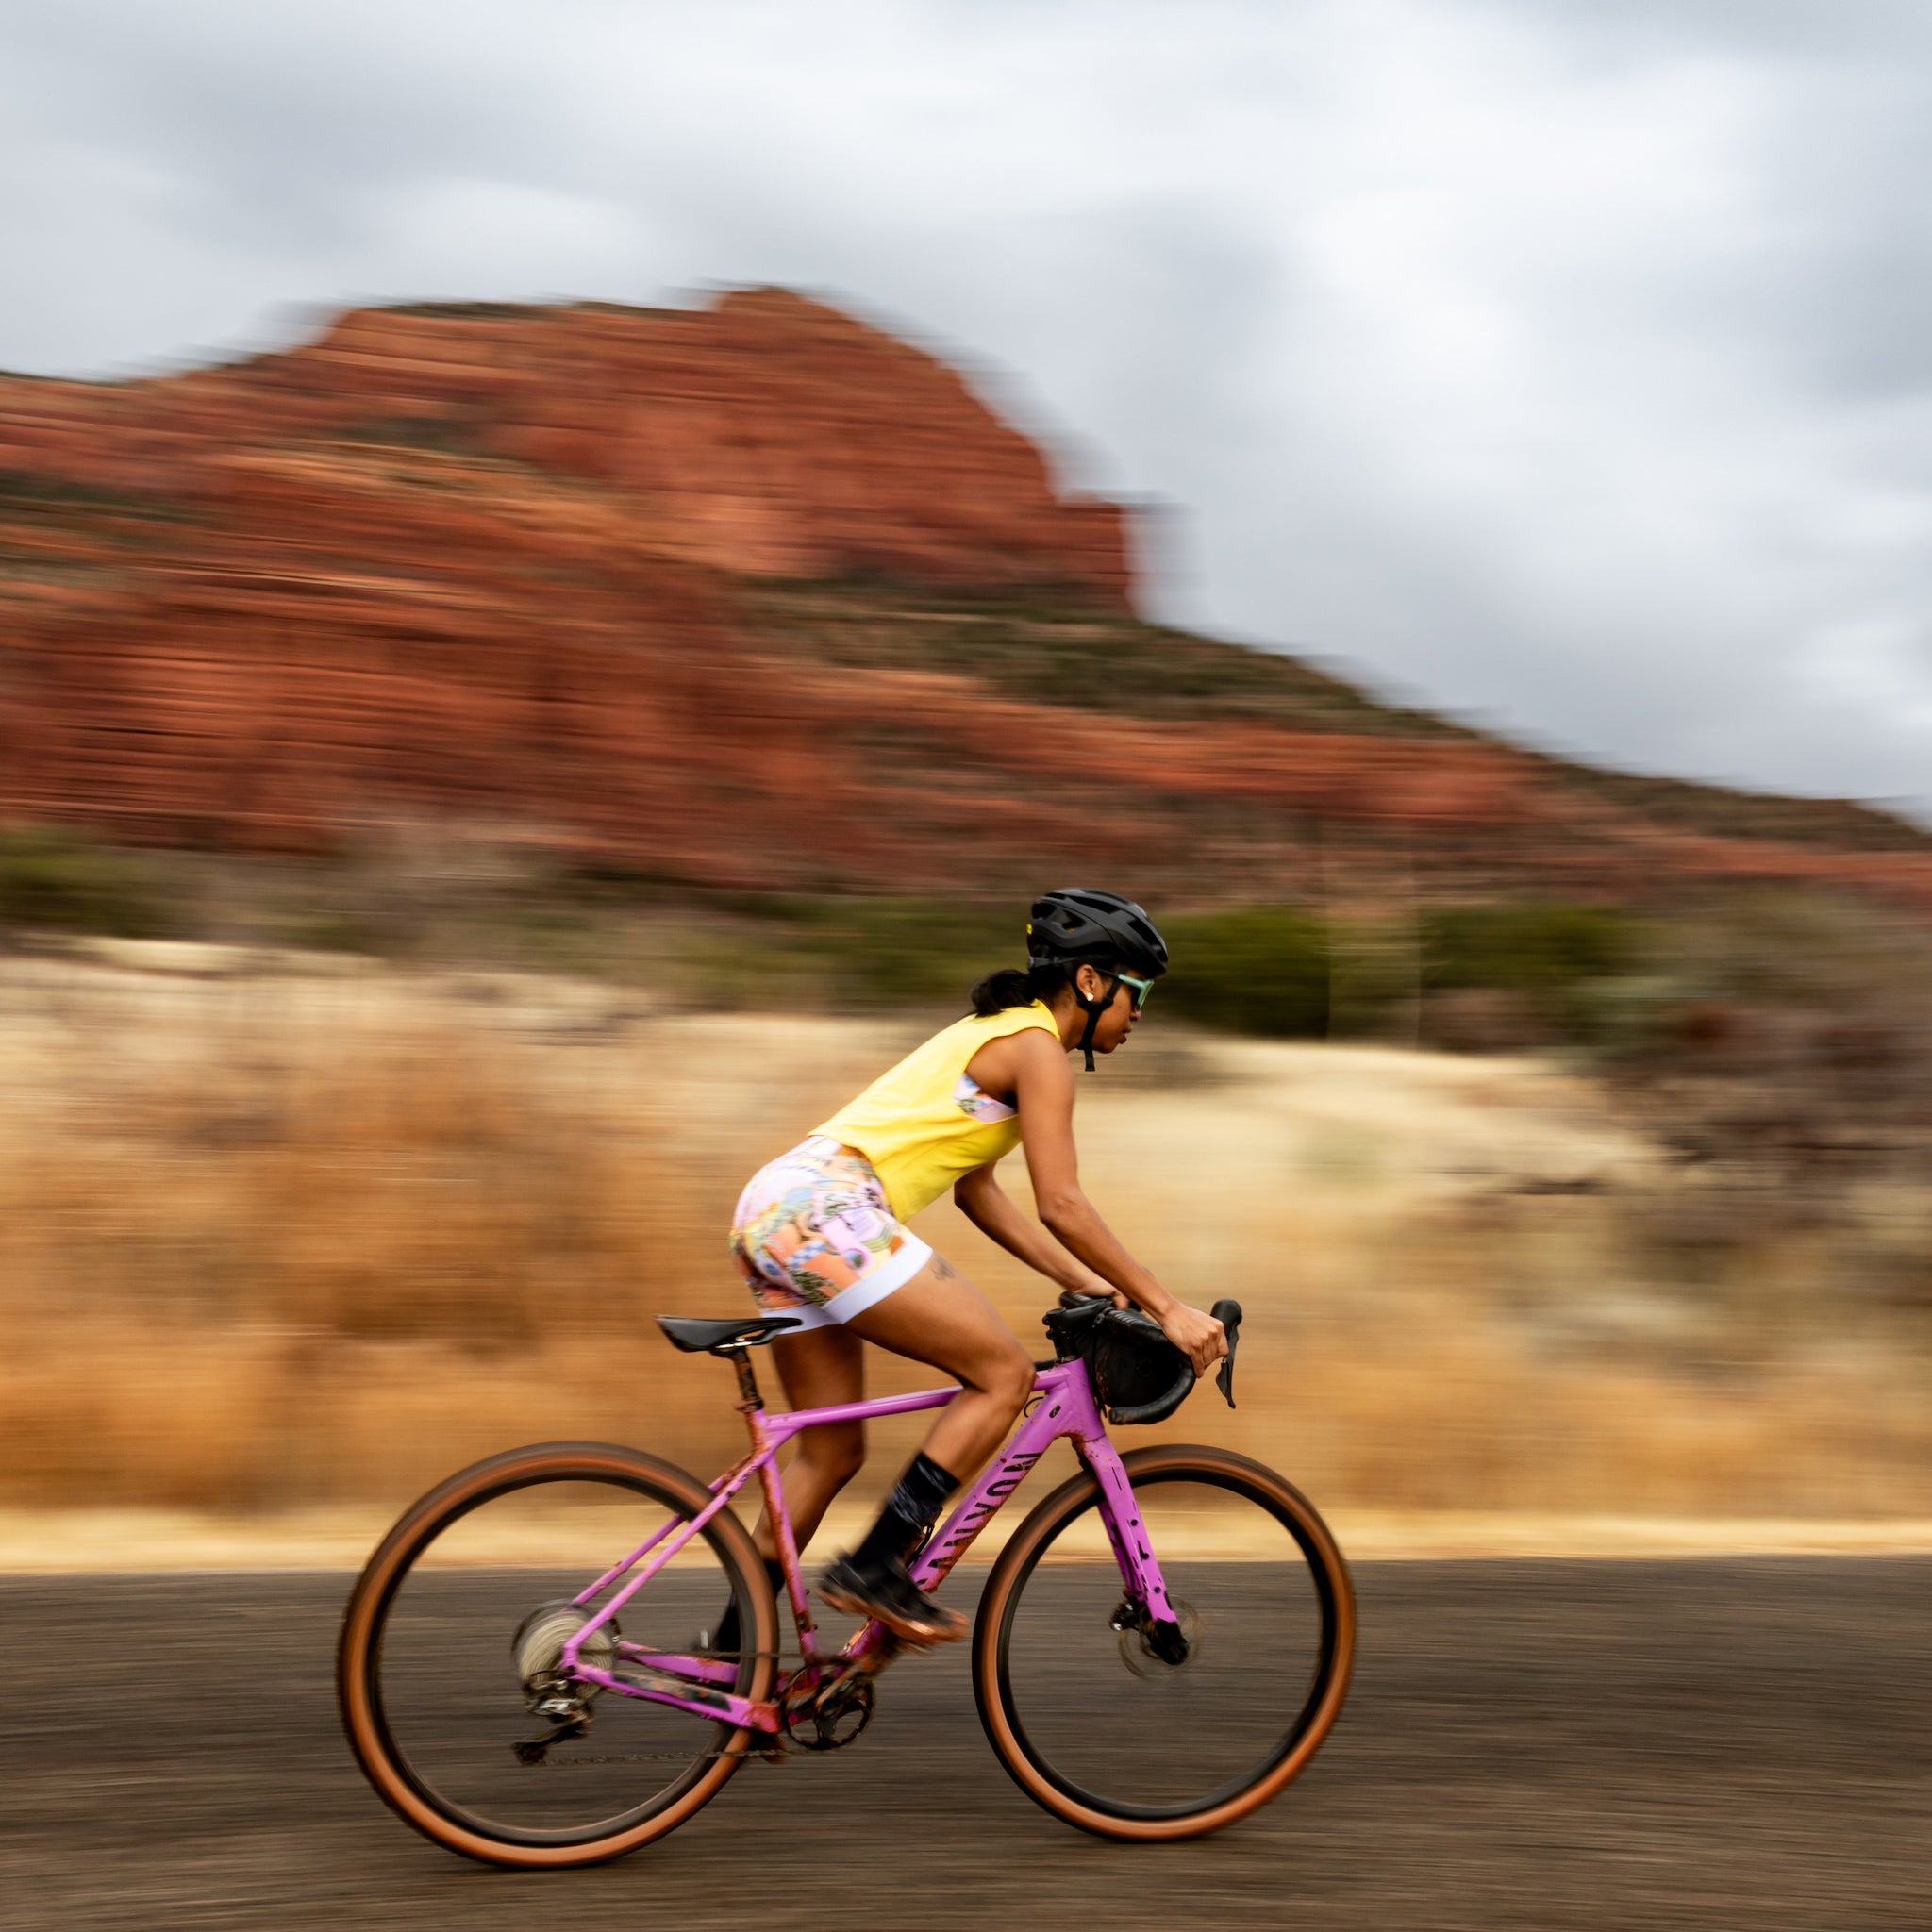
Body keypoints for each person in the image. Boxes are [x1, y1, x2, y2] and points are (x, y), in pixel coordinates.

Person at [720, 887, 1227, 1648]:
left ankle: (734, 1659)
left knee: (830, 1454)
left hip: (777, 1209)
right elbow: (1062, 1200)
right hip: (827, 1211)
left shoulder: (999, 1033)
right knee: (1002, 1376)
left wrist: (1090, 1282)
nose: (1141, 1011)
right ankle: (875, 1567)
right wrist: (1166, 1307)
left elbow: (978, 1195)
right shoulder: (1038, 1052)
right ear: (1090, 982)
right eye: (1138, 990)